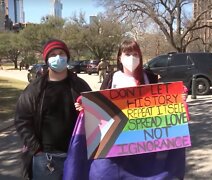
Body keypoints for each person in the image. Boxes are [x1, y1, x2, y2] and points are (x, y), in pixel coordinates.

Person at [67, 39, 186, 180]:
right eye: (127, 54)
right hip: (115, 145)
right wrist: (86, 108)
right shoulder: (111, 78)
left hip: (146, 145)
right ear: (120, 57)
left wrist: (178, 99)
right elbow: (99, 107)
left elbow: (164, 104)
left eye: (135, 54)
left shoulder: (150, 77)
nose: (132, 58)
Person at [14, 39, 92, 180]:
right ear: (47, 59)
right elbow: (21, 120)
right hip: (45, 159)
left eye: (61, 53)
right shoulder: (35, 89)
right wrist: (36, 149)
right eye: (53, 54)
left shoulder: (80, 85)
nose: (58, 57)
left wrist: (86, 110)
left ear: (67, 57)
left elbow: (96, 117)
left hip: (76, 156)